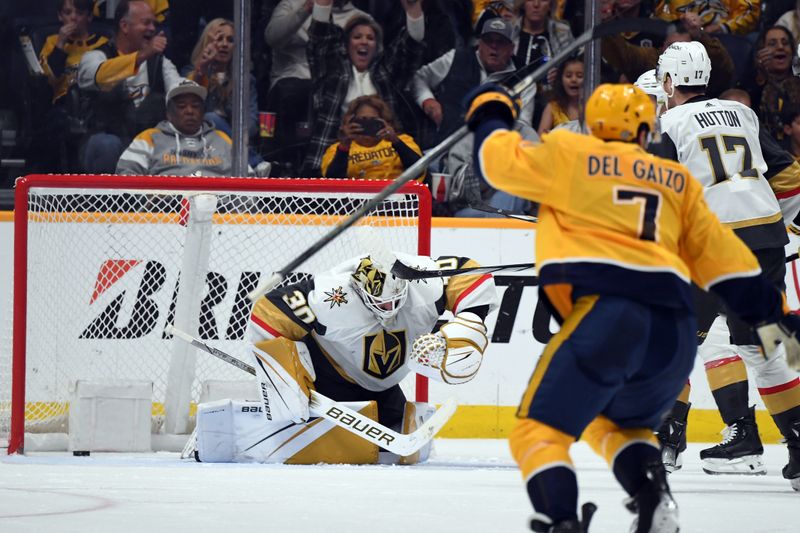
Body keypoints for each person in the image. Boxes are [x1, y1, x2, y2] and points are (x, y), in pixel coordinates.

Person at [463, 80, 800, 530]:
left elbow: (496, 163)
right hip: (676, 331)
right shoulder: (676, 181)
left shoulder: (569, 152)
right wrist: (776, 317)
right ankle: (651, 498)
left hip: (608, 314)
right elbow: (731, 268)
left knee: (538, 431)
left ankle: (561, 519)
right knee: (618, 425)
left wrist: (490, 107)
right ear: (647, 131)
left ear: (594, 125)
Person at [652, 41, 800, 488]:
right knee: (761, 348)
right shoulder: (743, 113)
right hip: (765, 237)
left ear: (669, 81)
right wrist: (785, 225)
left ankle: (662, 439)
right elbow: (786, 174)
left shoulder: (670, 124)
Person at [197, 251, 498, 464]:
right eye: (381, 302)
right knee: (318, 438)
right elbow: (266, 313)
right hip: (330, 381)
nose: (389, 308)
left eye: (396, 299)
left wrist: (468, 326)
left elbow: (474, 275)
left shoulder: (424, 280)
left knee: (392, 446)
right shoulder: (327, 294)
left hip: (385, 385)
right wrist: (286, 379)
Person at [301, 0, 425, 177]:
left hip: (384, 160)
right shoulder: (332, 71)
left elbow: (411, 48)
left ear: (377, 46)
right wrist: (323, 3)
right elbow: (320, 40)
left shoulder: (386, 72)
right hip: (334, 155)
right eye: (357, 36)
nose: (364, 42)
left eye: (370, 38)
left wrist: (414, 11)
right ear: (347, 43)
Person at [77, 0, 181, 173]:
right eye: (146, 23)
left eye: (154, 24)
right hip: (104, 140)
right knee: (107, 144)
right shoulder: (94, 56)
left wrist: (200, 71)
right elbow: (100, 76)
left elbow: (179, 89)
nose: (152, 29)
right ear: (124, 26)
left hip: (144, 142)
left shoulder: (160, 62)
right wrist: (141, 56)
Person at [412, 17, 537, 145]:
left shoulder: (524, 79)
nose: (494, 46)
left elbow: (523, 125)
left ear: (511, 48)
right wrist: (427, 100)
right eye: (489, 40)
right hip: (444, 145)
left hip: (494, 150)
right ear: (480, 43)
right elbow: (418, 78)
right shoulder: (456, 58)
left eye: (501, 42)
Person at [115, 80, 235, 176]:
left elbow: (247, 176)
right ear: (168, 113)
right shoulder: (150, 137)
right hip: (165, 203)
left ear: (203, 111)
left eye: (196, 106)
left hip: (217, 204)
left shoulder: (222, 139)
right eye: (182, 106)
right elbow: (125, 174)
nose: (189, 111)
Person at [184, 18, 261, 167]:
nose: (225, 44)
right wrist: (203, 69)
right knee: (211, 118)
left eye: (230, 40)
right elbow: (191, 108)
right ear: (207, 43)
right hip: (200, 141)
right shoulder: (191, 73)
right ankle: (254, 163)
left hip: (232, 141)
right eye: (219, 39)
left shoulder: (245, 80)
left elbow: (251, 124)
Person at [321, 94, 424, 180]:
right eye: (362, 120)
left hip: (396, 198)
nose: (368, 125)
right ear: (351, 121)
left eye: (373, 120)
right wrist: (344, 146)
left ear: (384, 120)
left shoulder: (403, 140)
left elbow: (419, 170)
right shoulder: (337, 149)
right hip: (355, 201)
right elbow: (332, 180)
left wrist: (396, 141)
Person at [654, 0, 760, 35]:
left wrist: (723, 27)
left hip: (721, 38)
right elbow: (663, 16)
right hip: (681, 37)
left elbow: (750, 11)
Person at [537, 56, 583, 135]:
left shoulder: (594, 106)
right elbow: (540, 140)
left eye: (579, 76)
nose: (573, 80)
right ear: (561, 79)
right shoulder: (552, 107)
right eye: (568, 76)